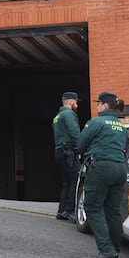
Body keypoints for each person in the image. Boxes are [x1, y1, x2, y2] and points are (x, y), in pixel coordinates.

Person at [77, 91, 127, 258]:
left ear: (105, 105)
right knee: (112, 211)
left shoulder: (96, 122)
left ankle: (105, 249)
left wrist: (79, 154)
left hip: (102, 167)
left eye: (98, 103)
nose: (97, 106)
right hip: (121, 169)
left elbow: (80, 144)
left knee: (92, 206)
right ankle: (115, 252)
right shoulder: (122, 127)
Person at [52, 92, 82, 223]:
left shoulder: (58, 116)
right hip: (68, 152)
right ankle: (69, 210)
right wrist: (81, 148)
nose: (77, 105)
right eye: (76, 102)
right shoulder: (69, 114)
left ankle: (61, 210)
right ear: (71, 102)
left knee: (66, 182)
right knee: (75, 179)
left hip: (59, 151)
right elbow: (75, 133)